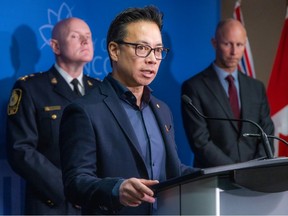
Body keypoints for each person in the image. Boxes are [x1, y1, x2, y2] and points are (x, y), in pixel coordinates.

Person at [59, 6, 199, 215]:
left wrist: (220, 175)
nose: (152, 59)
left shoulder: (162, 110)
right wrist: (117, 189)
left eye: (158, 50)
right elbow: (75, 183)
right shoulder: (84, 111)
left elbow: (172, 169)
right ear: (114, 50)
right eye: (142, 48)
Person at [6, 17, 100, 214]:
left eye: (88, 37)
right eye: (75, 36)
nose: (85, 41)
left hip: (97, 202)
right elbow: (20, 149)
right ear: (56, 46)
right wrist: (70, 188)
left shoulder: (100, 90)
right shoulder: (31, 88)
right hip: (54, 204)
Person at [181, 18, 274, 168]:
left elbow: (267, 133)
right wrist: (234, 171)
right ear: (214, 43)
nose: (233, 52)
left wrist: (256, 168)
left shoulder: (257, 88)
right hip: (214, 178)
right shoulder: (194, 87)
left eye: (239, 45)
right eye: (227, 44)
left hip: (255, 177)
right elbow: (200, 141)